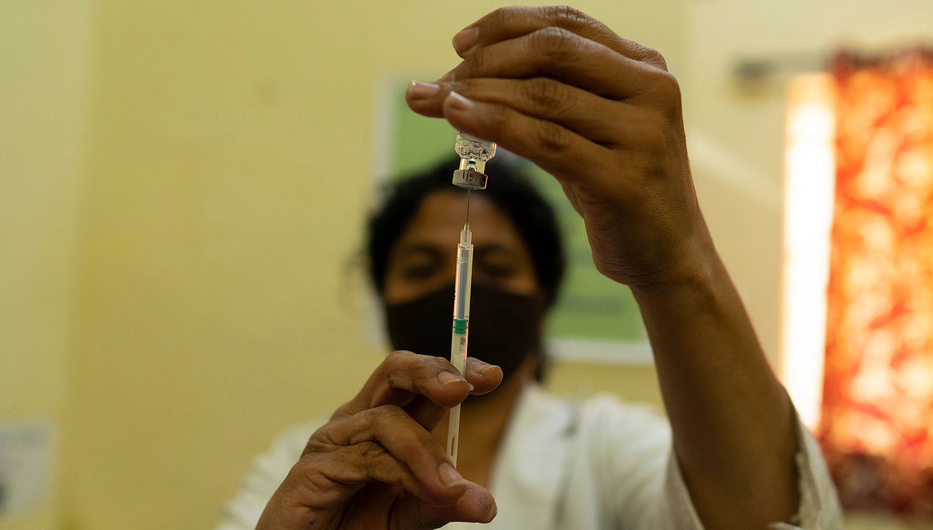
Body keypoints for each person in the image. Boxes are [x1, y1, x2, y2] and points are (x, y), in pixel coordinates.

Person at [217, 6, 842, 530]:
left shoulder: (604, 449)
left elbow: (768, 515)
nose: (456, 283)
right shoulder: (305, 465)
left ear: (543, 295)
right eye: (418, 264)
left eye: (496, 263)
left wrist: (675, 261)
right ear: (383, 293)